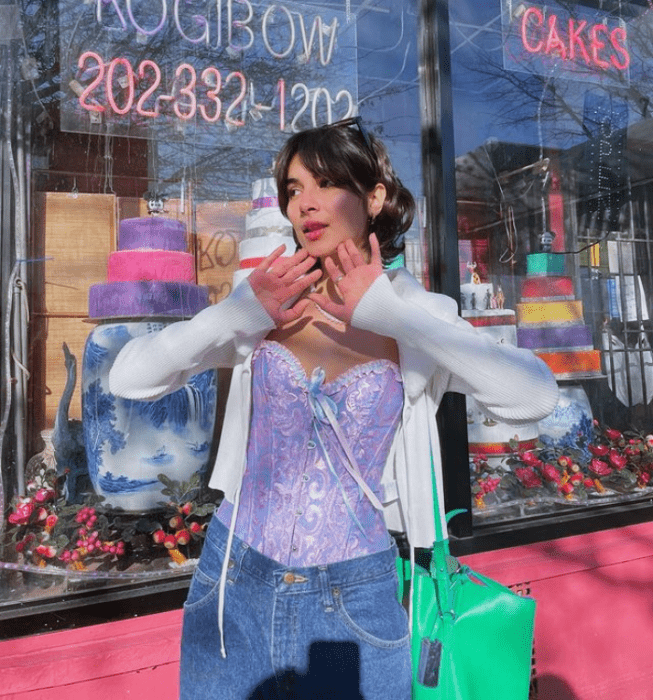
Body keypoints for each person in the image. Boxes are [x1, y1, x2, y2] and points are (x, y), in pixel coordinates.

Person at [109, 118, 559, 700]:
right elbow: (129, 377)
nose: (306, 203)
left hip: (354, 597)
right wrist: (236, 313)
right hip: (233, 582)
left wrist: (388, 313)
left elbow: (534, 395)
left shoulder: (415, 312)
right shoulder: (267, 307)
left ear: (374, 197)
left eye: (325, 183)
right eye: (294, 189)